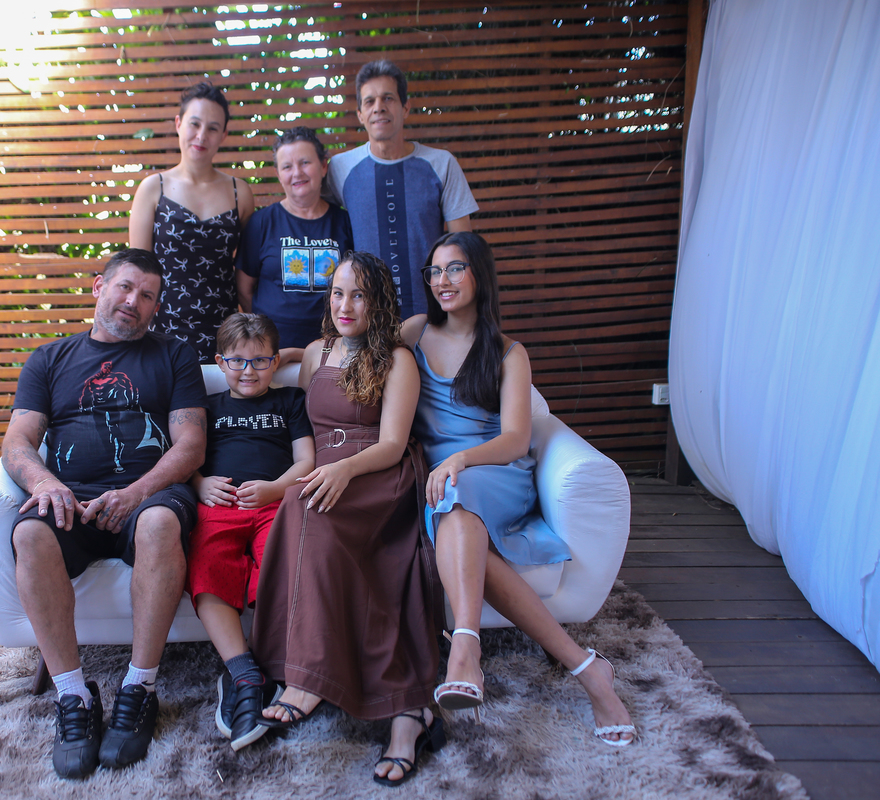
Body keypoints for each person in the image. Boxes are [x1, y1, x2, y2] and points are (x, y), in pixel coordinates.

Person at [401, 231, 637, 746]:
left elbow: (515, 439)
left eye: (455, 268)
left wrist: (462, 458)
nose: (442, 281)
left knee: (456, 493)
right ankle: (587, 668)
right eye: (435, 271)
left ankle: (464, 649)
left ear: (480, 274)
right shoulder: (414, 332)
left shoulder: (508, 352)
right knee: (456, 511)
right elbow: (359, 350)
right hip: (440, 481)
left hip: (495, 472)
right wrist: (291, 354)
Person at [1, 249, 209, 779]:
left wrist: (135, 493)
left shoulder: (175, 355)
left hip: (147, 497)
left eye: (147, 295)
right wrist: (45, 483)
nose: (133, 301)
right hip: (71, 498)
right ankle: (73, 696)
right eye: (125, 287)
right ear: (99, 286)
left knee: (160, 522)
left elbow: (190, 445)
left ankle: (140, 687)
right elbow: (18, 441)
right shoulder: (49, 359)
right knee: (29, 535)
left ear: (156, 307)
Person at [250, 251, 445, 787]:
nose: (345, 305)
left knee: (308, 506)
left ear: (378, 302)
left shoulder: (396, 360)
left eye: (359, 295)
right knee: (300, 502)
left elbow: (393, 444)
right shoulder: (318, 352)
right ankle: (310, 670)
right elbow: (303, 427)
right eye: (338, 293)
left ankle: (310, 679)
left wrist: (343, 471)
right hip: (325, 470)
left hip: (377, 474)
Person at [185, 312, 316, 752]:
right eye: (237, 361)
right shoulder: (207, 407)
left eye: (260, 361)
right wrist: (199, 484)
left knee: (282, 567)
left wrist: (276, 488)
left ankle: (265, 666)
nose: (248, 371)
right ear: (220, 363)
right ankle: (242, 671)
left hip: (274, 504)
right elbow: (184, 456)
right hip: (219, 506)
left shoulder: (291, 401)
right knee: (206, 564)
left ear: (275, 361)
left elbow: (306, 460)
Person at [327, 59, 479, 320]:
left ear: (405, 107)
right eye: (370, 101)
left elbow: (463, 249)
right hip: (367, 320)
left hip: (433, 315)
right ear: (360, 114)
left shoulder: (441, 164)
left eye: (388, 98)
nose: (379, 107)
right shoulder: (340, 169)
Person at [128, 82, 255, 362]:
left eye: (212, 128)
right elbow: (138, 271)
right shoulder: (153, 189)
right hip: (162, 331)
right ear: (178, 124)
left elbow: (247, 271)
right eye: (194, 124)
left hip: (225, 333)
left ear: (224, 135)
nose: (201, 136)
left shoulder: (240, 193)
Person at [236, 126, 353, 355]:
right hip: (273, 353)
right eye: (287, 166)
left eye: (305, 162)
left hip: (334, 351)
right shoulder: (261, 223)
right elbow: (244, 289)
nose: (297, 173)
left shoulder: (345, 222)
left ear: (323, 166)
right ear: (279, 174)